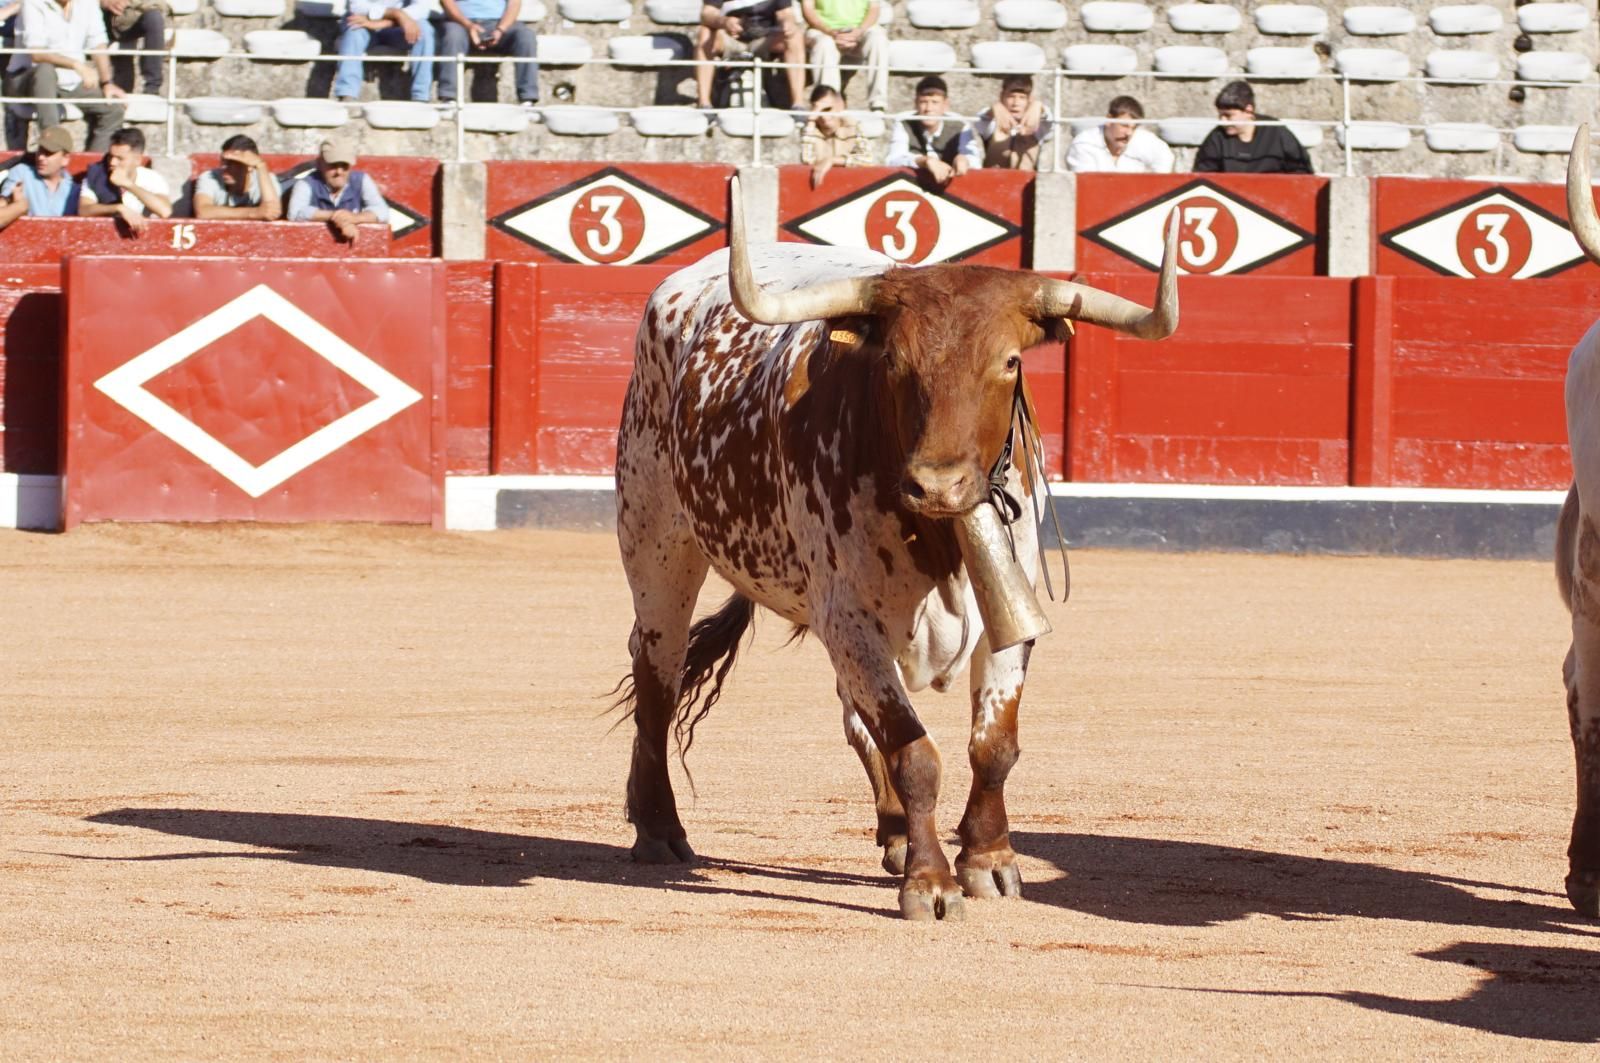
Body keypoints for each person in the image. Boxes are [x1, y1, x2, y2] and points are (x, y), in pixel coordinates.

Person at [4, 0, 126, 152]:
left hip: (69, 80)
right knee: (45, 71)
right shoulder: (33, 3)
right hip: (24, 77)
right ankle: (52, 145)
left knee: (113, 109)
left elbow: (97, 41)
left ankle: (92, 168)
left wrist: (107, 82)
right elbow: (37, 54)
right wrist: (76, 65)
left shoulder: (88, 3)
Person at [695, 0, 805, 111]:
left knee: (795, 37)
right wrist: (724, 21)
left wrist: (788, 23)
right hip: (730, 37)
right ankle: (704, 103)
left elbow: (786, 13)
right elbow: (706, 13)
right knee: (705, 33)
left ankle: (798, 105)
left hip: (766, 39)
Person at [1194, 80, 1311, 174]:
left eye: (1228, 116)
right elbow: (1203, 174)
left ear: (1248, 111)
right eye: (1220, 115)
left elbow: (1301, 172)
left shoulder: (1276, 131)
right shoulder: (1216, 137)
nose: (1222, 121)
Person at [285, 139, 390, 242]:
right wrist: (336, 217)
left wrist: (354, 218)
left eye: (344, 166)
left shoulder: (361, 180)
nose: (339, 172)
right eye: (333, 165)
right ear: (320, 164)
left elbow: (383, 212)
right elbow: (295, 214)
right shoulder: (306, 184)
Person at [884, 75, 979, 189]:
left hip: (954, 191)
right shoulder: (904, 122)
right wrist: (925, 161)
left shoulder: (960, 125)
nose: (928, 108)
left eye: (935, 102)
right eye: (923, 102)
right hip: (914, 187)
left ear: (945, 105)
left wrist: (963, 159)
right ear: (916, 103)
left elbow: (975, 161)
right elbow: (893, 160)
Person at [437, 0, 537, 106]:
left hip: (498, 23)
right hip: (460, 22)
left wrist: (501, 29)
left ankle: (527, 99)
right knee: (453, 36)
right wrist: (468, 25)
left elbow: (515, 3)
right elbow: (446, 2)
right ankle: (448, 97)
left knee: (526, 36)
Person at [334, 0, 434, 103]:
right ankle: (347, 95)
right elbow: (357, 6)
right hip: (364, 22)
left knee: (424, 30)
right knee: (354, 30)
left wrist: (388, 21)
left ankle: (421, 97)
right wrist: (396, 13)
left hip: (398, 25)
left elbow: (422, 9)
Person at [79, 124, 169, 232]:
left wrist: (129, 185)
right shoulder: (97, 175)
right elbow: (84, 210)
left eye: (120, 158)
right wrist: (119, 208)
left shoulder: (152, 178)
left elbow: (165, 211)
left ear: (137, 160)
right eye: (110, 156)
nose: (112, 162)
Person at [799, 0, 885, 113]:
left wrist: (859, 31)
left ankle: (878, 105)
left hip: (860, 29)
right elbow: (808, 9)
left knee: (878, 39)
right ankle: (829, 105)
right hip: (823, 30)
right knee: (824, 44)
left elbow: (874, 9)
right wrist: (830, 32)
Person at [1066, 94, 1174, 173]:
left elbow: (1165, 157)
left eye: (1134, 127)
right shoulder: (1084, 144)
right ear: (1109, 120)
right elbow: (1086, 186)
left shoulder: (1142, 139)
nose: (1129, 133)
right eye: (1124, 125)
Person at [0, 123, 77, 231]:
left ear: (65, 158)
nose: (41, 157)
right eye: (40, 151)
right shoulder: (21, 172)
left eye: (48, 153)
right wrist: (15, 204)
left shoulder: (74, 190)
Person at [192, 133, 283, 220]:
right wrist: (256, 213)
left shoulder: (265, 179)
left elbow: (272, 212)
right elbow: (203, 212)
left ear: (250, 166)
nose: (224, 167)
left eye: (232, 163)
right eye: (223, 162)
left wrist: (261, 166)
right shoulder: (210, 177)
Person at [973, 74, 1053, 170]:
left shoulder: (1040, 124)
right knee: (999, 134)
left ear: (1030, 99)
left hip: (1026, 180)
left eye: (1022, 97)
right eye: (1011, 96)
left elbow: (1051, 121)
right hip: (994, 180)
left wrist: (1038, 106)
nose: (1015, 103)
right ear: (1002, 96)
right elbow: (979, 121)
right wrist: (994, 107)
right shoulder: (992, 122)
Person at [800, 84, 870, 187]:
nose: (823, 116)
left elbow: (867, 159)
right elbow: (807, 160)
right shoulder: (810, 130)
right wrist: (810, 121)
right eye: (818, 111)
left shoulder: (853, 126)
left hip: (851, 187)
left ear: (839, 107)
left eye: (827, 109)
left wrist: (832, 160)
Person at [100, 0, 168, 95]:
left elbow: (158, 4)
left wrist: (129, 2)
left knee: (154, 18)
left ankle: (152, 88)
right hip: (102, 20)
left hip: (133, 21)